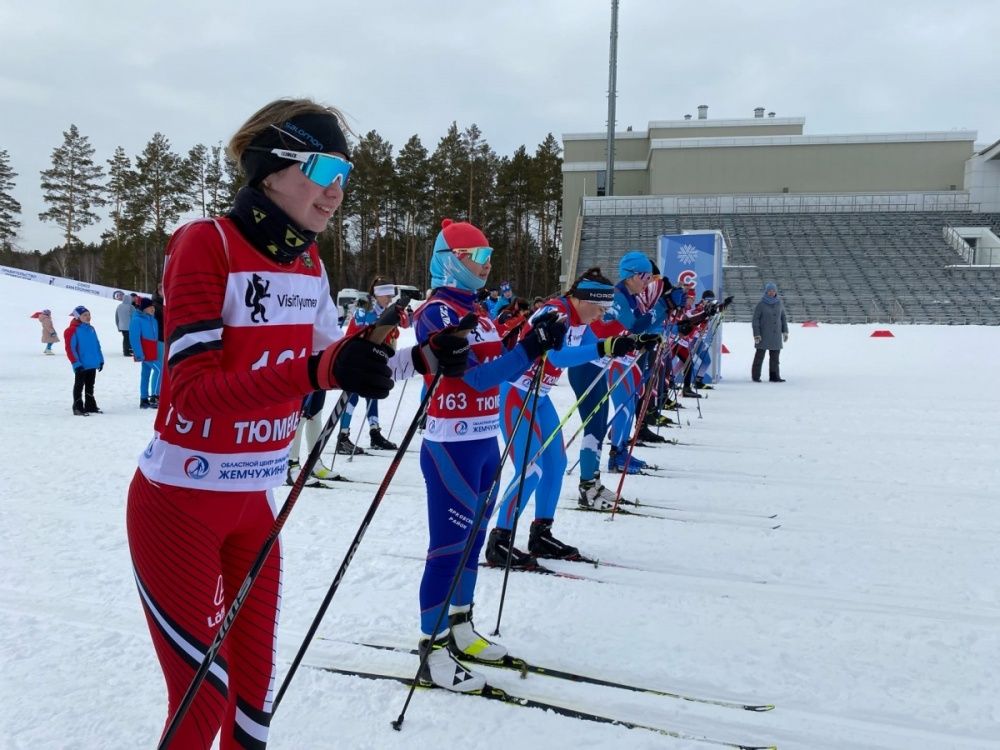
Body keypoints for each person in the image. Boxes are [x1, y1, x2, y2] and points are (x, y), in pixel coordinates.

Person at [125, 98, 469, 749]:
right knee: (203, 704)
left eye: (347, 174)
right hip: (179, 506)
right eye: (325, 168)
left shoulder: (307, 264)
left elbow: (341, 366)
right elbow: (194, 393)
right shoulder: (209, 242)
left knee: (251, 714)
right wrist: (322, 371)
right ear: (273, 167)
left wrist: (418, 358)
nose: (338, 190)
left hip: (252, 508)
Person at [412, 217, 565, 693]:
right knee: (446, 551)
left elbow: (502, 366)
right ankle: (431, 650)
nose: (485, 263)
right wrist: (527, 349)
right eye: (475, 256)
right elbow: (474, 377)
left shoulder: (478, 313)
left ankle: (460, 627)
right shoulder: (436, 312)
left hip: (483, 441)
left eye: (487, 254)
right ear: (448, 262)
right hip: (450, 446)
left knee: (474, 543)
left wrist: (535, 340)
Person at [488, 267, 634, 567]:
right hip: (516, 394)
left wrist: (631, 343)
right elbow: (558, 355)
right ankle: (499, 540)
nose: (602, 314)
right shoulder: (556, 313)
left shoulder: (581, 318)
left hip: (539, 397)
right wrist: (605, 346)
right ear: (584, 299)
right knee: (530, 470)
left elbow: (594, 347)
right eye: (601, 307)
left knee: (555, 464)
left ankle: (541, 533)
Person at [337, 276, 407, 453]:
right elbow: (361, 332)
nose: (390, 299)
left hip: (373, 360)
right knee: (351, 398)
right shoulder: (364, 310)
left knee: (373, 395)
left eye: (391, 296)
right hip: (354, 359)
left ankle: (375, 433)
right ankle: (342, 437)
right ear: (377, 296)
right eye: (387, 296)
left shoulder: (385, 311)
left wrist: (397, 318)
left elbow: (395, 334)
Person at [63, 305, 104, 415]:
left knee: (90, 385)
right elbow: (70, 349)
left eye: (89, 314)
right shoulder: (71, 330)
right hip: (81, 364)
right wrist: (76, 363)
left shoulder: (91, 329)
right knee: (79, 385)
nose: (88, 317)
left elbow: (97, 345)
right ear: (77, 317)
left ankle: (90, 405)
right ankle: (77, 407)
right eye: (84, 315)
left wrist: (100, 359)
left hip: (92, 363)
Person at [752, 281, 788, 382]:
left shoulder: (779, 303)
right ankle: (756, 376)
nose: (771, 292)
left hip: (776, 335)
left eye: (773, 291)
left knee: (775, 358)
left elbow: (783, 317)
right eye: (769, 291)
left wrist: (785, 331)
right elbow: (755, 320)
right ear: (766, 292)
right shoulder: (761, 304)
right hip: (763, 335)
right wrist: (757, 334)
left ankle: (774, 376)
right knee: (759, 357)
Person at [130, 297, 162, 408]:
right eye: (150, 307)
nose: (153, 309)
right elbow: (134, 338)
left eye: (153, 307)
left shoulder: (153, 320)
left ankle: (144, 399)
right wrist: (138, 353)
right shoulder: (137, 320)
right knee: (160, 369)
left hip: (152, 352)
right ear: (144, 308)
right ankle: (154, 396)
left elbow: (155, 338)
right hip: (144, 353)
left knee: (145, 375)